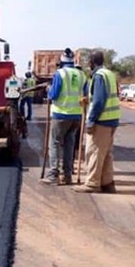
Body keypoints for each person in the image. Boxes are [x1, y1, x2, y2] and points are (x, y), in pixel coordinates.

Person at [74, 51, 120, 193]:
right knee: (106, 153)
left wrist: (91, 121)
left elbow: (99, 101)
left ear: (91, 63)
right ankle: (107, 183)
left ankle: (93, 183)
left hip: (102, 120)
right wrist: (88, 100)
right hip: (112, 119)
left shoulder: (99, 76)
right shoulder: (109, 74)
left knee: (94, 151)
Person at [41, 48, 87, 186]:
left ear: (61, 62)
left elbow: (53, 95)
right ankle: (67, 175)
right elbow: (85, 95)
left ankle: (53, 174)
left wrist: (48, 90)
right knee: (69, 145)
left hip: (61, 114)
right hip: (76, 116)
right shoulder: (82, 75)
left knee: (54, 143)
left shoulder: (59, 74)